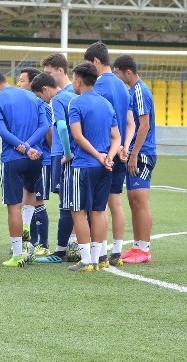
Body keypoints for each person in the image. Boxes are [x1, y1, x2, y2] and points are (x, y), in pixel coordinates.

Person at [0, 69, 49, 267]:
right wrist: (29, 146)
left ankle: (18, 254)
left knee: (13, 207)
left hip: (13, 157)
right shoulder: (32, 96)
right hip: (35, 156)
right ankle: (27, 226)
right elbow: (44, 126)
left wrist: (22, 146)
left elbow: (2, 131)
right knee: (31, 192)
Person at [84, 41, 134, 268]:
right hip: (120, 150)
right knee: (116, 202)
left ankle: (101, 253)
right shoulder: (122, 86)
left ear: (96, 61)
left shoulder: (99, 86)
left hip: (103, 151)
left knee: (98, 206)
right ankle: (117, 251)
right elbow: (130, 122)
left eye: (89, 63)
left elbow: (99, 119)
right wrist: (124, 146)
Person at [66, 61, 120, 272]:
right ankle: (97, 260)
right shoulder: (106, 104)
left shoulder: (76, 104)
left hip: (84, 165)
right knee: (98, 211)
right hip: (105, 167)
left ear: (78, 81)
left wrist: (98, 155)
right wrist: (109, 157)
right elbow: (116, 137)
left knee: (78, 211)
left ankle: (86, 260)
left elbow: (78, 136)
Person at [113, 54, 156, 264]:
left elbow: (144, 125)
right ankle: (138, 246)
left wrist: (135, 153)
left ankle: (144, 249)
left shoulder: (139, 91)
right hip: (134, 153)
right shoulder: (132, 91)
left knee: (140, 200)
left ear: (127, 72)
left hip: (143, 153)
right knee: (133, 201)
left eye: (117, 73)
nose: (116, 76)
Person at [30, 71, 75, 262]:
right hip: (81, 154)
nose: (42, 100)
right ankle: (77, 246)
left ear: (45, 89)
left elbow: (62, 127)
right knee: (77, 203)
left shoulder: (57, 100)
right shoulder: (74, 97)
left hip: (63, 154)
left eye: (40, 96)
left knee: (66, 204)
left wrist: (67, 152)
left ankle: (60, 251)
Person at [15, 67, 52, 256]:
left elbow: (49, 132)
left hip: (41, 160)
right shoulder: (25, 105)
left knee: (38, 200)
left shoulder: (43, 106)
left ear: (32, 83)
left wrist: (49, 154)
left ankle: (42, 244)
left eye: (22, 80)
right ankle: (29, 241)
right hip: (26, 160)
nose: (18, 84)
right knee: (26, 199)